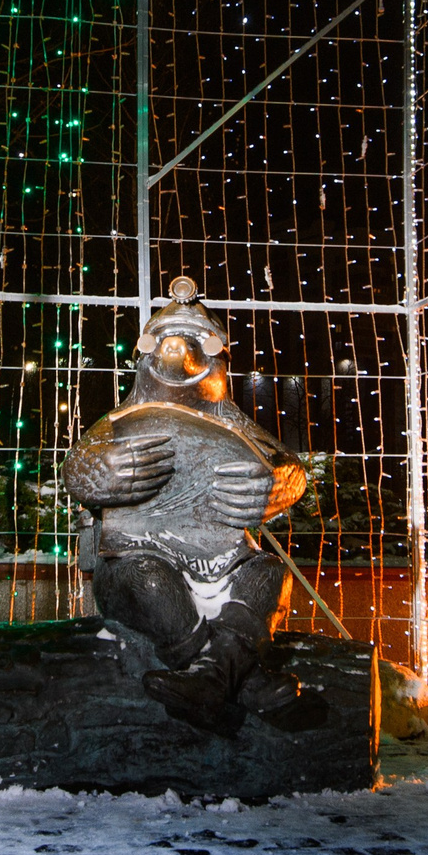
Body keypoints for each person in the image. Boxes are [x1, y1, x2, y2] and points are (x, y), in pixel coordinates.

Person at [62, 276, 325, 735]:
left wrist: (281, 482)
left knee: (266, 573)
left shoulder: (230, 420)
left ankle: (207, 679)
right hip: (137, 557)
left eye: (193, 346)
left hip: (219, 561)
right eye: (165, 344)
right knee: (148, 579)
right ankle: (233, 675)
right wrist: (100, 474)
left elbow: (287, 464)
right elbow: (77, 468)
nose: (178, 356)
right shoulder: (122, 419)